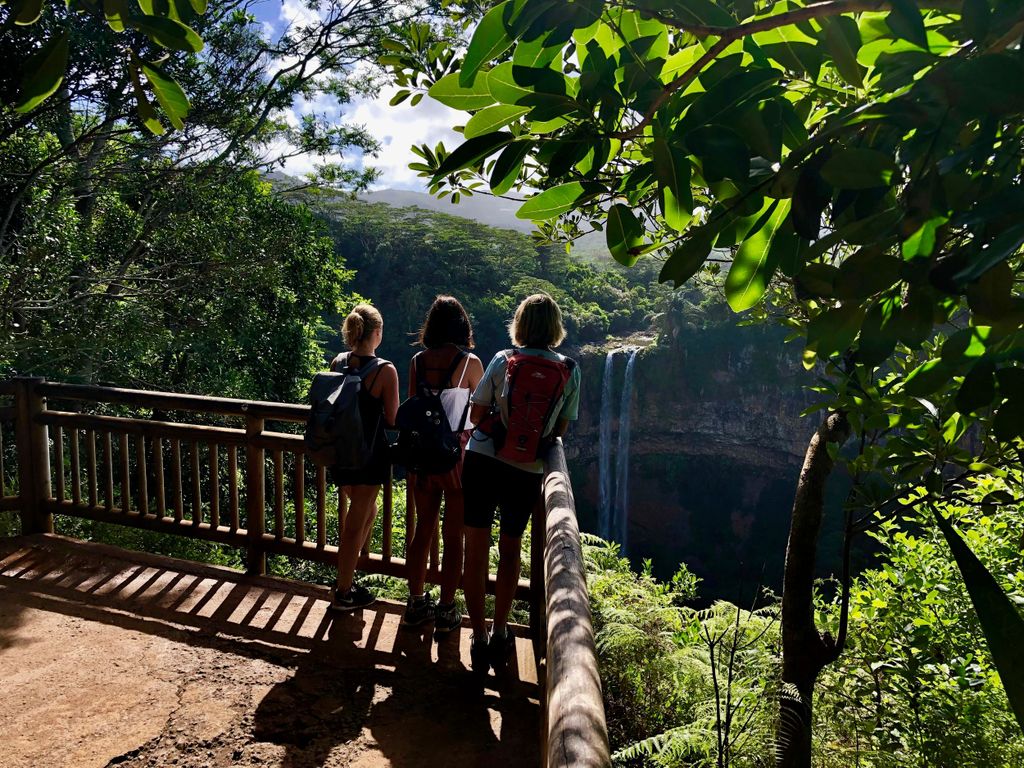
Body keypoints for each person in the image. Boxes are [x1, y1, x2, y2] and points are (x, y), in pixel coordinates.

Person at [462, 293, 581, 675]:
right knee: (510, 547)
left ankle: (477, 636)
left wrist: (499, 420)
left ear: (520, 324)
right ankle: (500, 631)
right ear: (555, 328)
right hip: (526, 468)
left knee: (476, 548)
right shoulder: (569, 369)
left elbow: (476, 412)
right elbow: (560, 428)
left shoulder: (502, 359)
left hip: (482, 460)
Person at [401, 296, 484, 635]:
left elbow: (410, 411)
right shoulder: (470, 363)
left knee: (423, 530)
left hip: (422, 457)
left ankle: (416, 602)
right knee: (453, 538)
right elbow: (481, 412)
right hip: (457, 457)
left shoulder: (417, 361)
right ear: (462, 326)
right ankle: (447, 609)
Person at [328, 303, 400, 612]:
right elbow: (394, 418)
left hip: (341, 451)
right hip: (370, 456)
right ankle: (343, 591)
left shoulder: (338, 361)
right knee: (356, 523)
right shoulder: (385, 370)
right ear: (377, 333)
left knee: (366, 513)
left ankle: (348, 578)